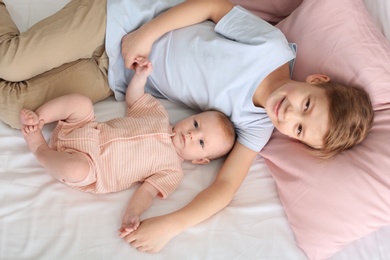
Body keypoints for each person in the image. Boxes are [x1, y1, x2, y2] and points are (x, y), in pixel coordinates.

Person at [0, 0, 373, 252]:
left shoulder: (257, 127)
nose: (289, 115)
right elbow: (210, 6)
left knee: (15, 105)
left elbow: (225, 188)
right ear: (318, 80)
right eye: (306, 104)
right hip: (123, 21)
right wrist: (144, 36)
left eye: (299, 129)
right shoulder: (270, 47)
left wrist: (170, 225)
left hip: (115, 73)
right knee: (10, 63)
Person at [20, 58, 236, 235]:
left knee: (74, 170)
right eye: (196, 124)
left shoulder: (172, 171)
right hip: (86, 130)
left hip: (94, 167)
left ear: (200, 160)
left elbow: (147, 192)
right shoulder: (159, 115)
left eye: (200, 142)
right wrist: (140, 77)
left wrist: (133, 214)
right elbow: (135, 99)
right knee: (81, 103)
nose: (191, 134)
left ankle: (40, 149)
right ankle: (39, 119)